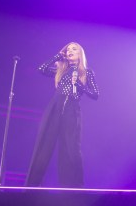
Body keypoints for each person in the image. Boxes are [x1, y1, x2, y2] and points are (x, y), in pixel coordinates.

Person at [25, 42, 99, 187]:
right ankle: (32, 186)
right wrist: (57, 56)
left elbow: (95, 94)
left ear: (80, 54)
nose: (70, 51)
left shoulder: (87, 72)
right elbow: (41, 69)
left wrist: (79, 86)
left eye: (74, 49)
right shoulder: (62, 70)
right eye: (68, 49)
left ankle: (74, 188)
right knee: (44, 144)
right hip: (54, 108)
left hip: (72, 109)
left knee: (71, 149)